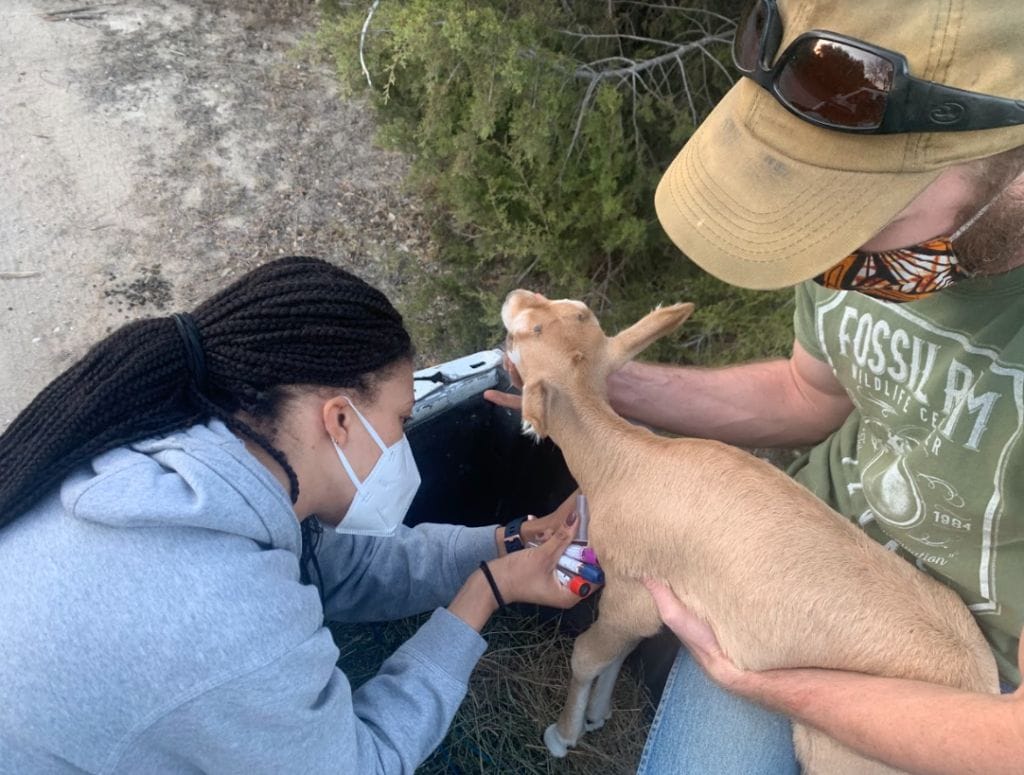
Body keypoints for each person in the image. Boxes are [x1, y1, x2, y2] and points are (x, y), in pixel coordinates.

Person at [620, 1, 1024, 772]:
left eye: (861, 217)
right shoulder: (859, 252)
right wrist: (612, 390)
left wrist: (764, 680)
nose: (829, 263)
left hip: (971, 673)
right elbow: (809, 395)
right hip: (805, 555)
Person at [0, 256, 596, 774]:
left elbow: (342, 567)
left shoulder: (189, 444)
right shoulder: (223, 618)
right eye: (400, 421)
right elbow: (361, 764)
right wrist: (483, 595)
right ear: (338, 420)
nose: (402, 442)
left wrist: (506, 541)